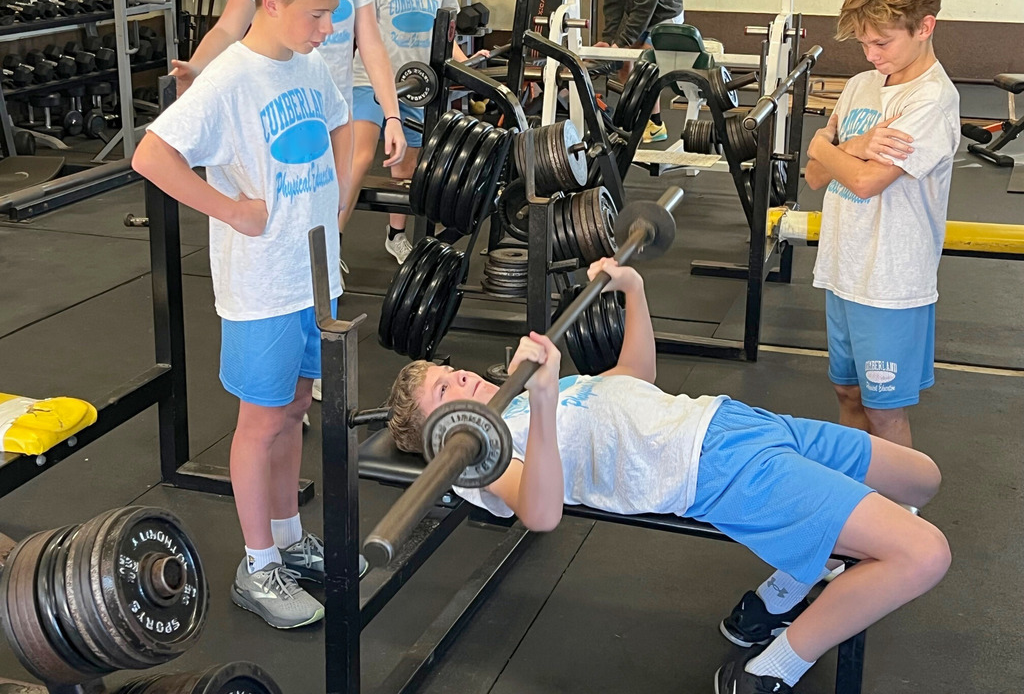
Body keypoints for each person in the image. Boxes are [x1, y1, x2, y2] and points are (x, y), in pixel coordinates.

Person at [386, 258, 950, 692]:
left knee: (921, 478)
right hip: (716, 469)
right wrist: (541, 398)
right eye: (445, 390)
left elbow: (636, 375)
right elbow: (541, 512)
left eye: (450, 371)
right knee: (924, 554)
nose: (462, 377)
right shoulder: (481, 450)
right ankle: (767, 670)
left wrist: (634, 290)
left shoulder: (539, 392)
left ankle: (789, 585)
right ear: (444, 434)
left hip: (735, 420)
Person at [132, 0, 352, 630]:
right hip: (262, 285)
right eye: (317, 14)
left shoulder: (307, 64)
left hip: (314, 275)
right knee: (260, 424)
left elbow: (338, 128)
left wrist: (336, 205)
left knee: (295, 409)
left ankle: (288, 537)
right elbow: (151, 156)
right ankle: (257, 567)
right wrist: (230, 209)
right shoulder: (229, 78)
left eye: (331, 14)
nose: (327, 29)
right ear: (270, 2)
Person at [171, 0, 407, 269]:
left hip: (328, 105)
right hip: (277, 105)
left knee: (323, 200)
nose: (326, 25)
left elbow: (370, 41)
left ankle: (324, 262)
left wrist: (392, 115)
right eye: (318, 15)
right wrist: (197, 67)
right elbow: (229, 27)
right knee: (283, 205)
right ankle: (284, 276)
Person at [805, 0, 960, 449]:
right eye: (863, 43)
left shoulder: (930, 101)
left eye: (882, 42)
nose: (871, 55)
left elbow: (865, 181)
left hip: (891, 283)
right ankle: (857, 491)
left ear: (924, 27)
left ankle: (902, 499)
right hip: (842, 270)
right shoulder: (860, 86)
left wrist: (825, 145)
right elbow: (814, 177)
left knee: (884, 411)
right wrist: (849, 147)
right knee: (847, 393)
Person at [349, 0, 479, 265]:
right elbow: (361, 32)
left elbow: (446, 36)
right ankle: (333, 240)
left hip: (417, 87)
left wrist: (468, 65)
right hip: (369, 82)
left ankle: (396, 235)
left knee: (407, 169)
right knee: (359, 159)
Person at [595, 0, 683, 144]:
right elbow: (613, 3)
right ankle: (636, 116)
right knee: (625, 64)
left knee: (644, 65)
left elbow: (644, 10)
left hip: (664, 15)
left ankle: (656, 124)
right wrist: (608, 40)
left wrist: (621, 43)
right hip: (639, 14)